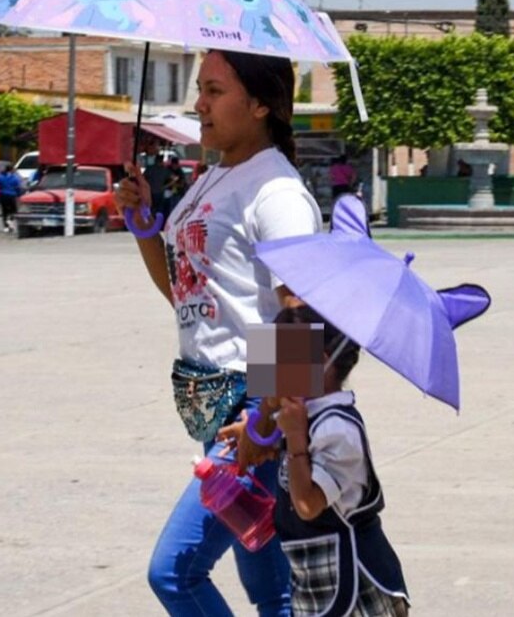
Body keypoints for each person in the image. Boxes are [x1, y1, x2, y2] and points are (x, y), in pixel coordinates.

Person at [115, 50, 322, 616]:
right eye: (199, 90)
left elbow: (300, 317)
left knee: (175, 573)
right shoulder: (218, 175)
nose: (199, 105)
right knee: (271, 590)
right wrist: (144, 227)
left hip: (254, 406)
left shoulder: (275, 192)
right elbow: (188, 295)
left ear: (259, 104)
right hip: (218, 405)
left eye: (213, 90)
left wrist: (266, 420)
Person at [270, 305, 410, 617]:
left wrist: (294, 440)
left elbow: (307, 504)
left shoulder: (337, 429)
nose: (271, 369)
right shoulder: (304, 412)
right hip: (317, 581)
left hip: (357, 588)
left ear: (322, 363)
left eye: (281, 357)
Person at [0, 164, 23, 232]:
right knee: (14, 211)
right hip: (12, 196)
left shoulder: (0, 177)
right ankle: (10, 221)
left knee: (4, 211)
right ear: (11, 170)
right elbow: (18, 188)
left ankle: (6, 227)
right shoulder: (15, 178)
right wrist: (19, 195)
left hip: (3, 196)